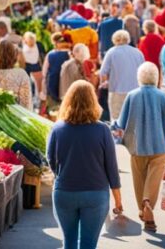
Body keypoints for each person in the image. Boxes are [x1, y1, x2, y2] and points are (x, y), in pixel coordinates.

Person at [47, 81, 122, 249]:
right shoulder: (102, 130)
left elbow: (50, 160)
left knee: (69, 242)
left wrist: (61, 174)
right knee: (88, 244)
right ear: (93, 101)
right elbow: (111, 167)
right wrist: (118, 199)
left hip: (64, 192)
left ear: (68, 101)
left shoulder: (57, 129)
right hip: (96, 194)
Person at [115, 63, 165, 234]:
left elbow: (121, 123)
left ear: (139, 77)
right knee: (154, 179)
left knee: (139, 179)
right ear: (156, 78)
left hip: (137, 145)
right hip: (160, 146)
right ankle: (148, 203)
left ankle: (142, 208)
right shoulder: (164, 97)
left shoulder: (132, 95)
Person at [100, 30, 146, 119]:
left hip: (116, 90)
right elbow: (143, 71)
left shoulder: (111, 52)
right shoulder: (138, 52)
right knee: (133, 120)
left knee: (116, 120)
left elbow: (103, 72)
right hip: (135, 90)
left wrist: (105, 83)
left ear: (114, 40)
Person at [0, 41, 33, 110]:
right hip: (18, 116)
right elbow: (26, 102)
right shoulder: (21, 74)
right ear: (14, 55)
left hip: (0, 115)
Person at [45, 33, 74, 108]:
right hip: (67, 88)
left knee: (53, 110)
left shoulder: (50, 54)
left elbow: (44, 73)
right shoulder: (71, 55)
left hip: (52, 86)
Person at [21, 31, 44, 99]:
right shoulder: (22, 45)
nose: (31, 43)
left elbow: (43, 55)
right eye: (29, 41)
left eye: (32, 41)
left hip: (36, 65)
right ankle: (30, 97)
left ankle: (39, 97)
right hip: (27, 66)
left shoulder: (39, 44)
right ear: (26, 40)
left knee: (39, 83)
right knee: (29, 84)